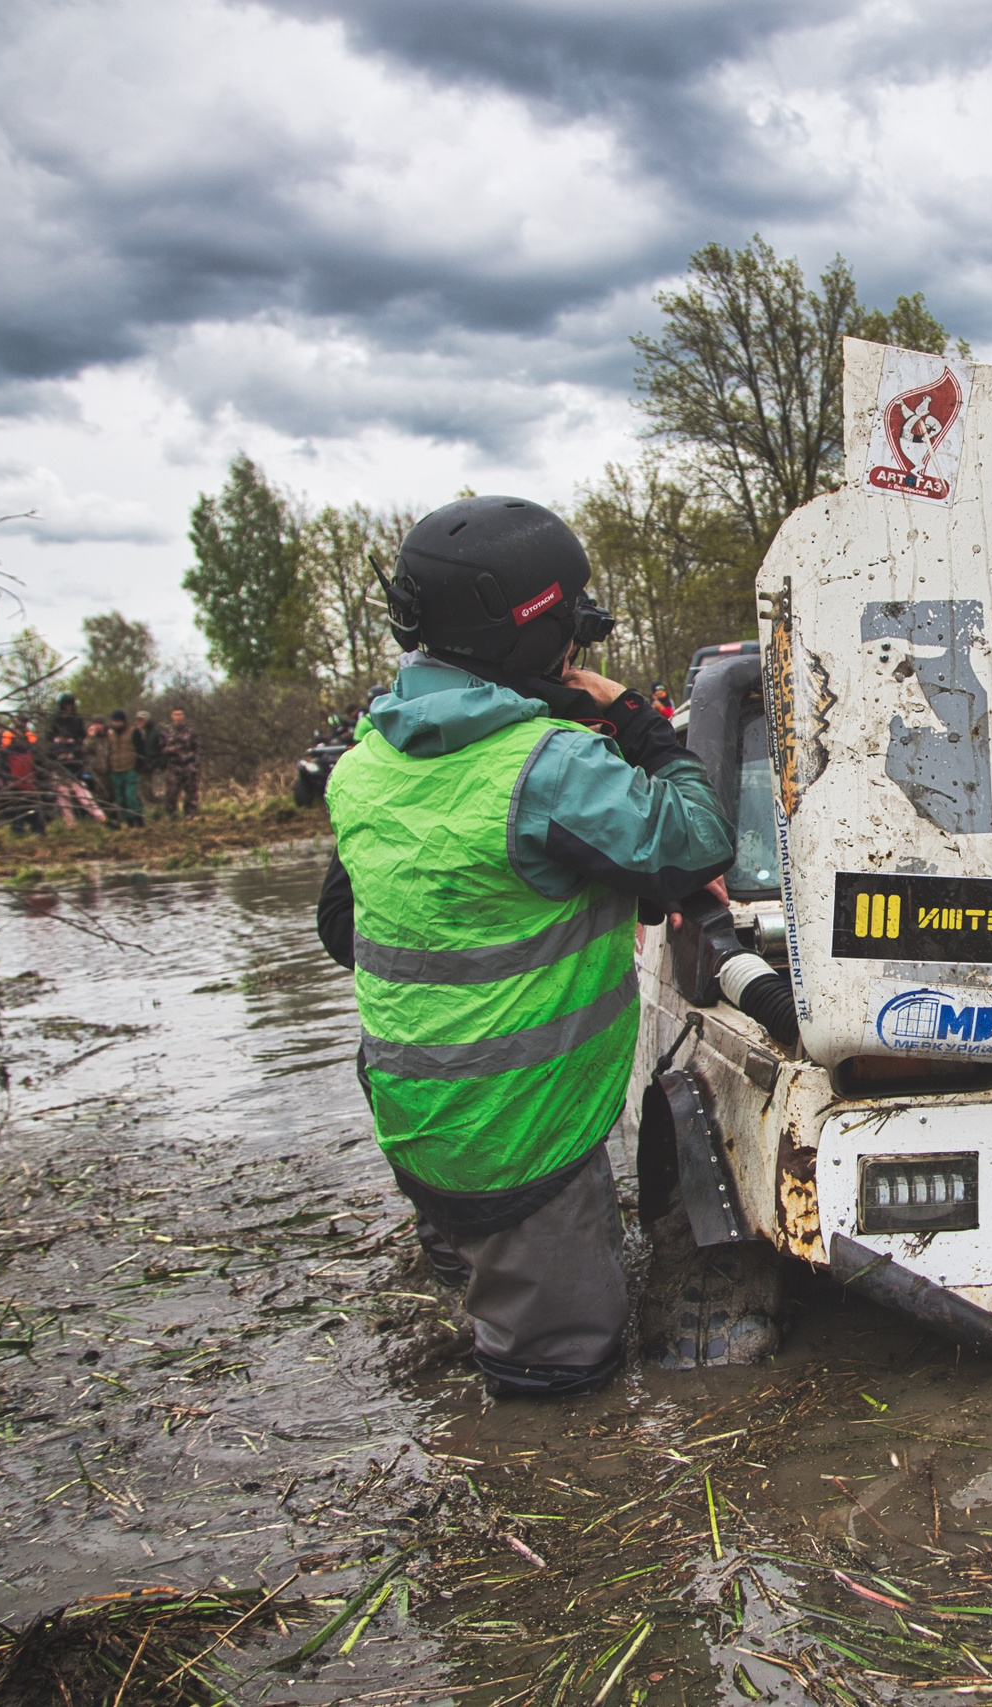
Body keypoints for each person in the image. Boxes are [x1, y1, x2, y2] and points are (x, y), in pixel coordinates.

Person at [313, 495, 735, 1401]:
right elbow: (698, 842)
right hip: (520, 1139)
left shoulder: (362, 765)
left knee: (470, 1269)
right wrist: (635, 719)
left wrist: (563, 882)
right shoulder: (551, 767)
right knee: (562, 1386)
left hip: (417, 1119)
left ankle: (461, 1277)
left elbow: (342, 930)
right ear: (535, 639)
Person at [87, 711, 144, 826]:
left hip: (130, 769)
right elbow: (96, 750)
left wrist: (138, 766)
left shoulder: (133, 731)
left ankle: (138, 819)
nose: (116, 724)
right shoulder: (110, 735)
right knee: (121, 799)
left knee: (130, 796)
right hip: (115, 771)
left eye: (118, 721)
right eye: (114, 721)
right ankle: (129, 822)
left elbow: (141, 750)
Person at [161, 706, 200, 817]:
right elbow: (160, 748)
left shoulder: (191, 731)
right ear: (171, 716)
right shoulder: (166, 731)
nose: (178, 717)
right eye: (176, 714)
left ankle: (190, 813)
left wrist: (195, 763)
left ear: (183, 716)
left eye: (180, 714)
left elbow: (198, 748)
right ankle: (172, 813)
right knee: (172, 792)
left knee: (191, 791)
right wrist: (169, 750)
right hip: (173, 766)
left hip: (189, 765)